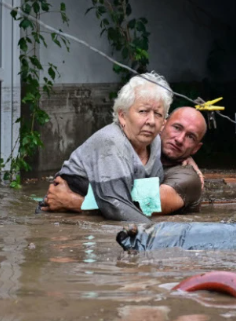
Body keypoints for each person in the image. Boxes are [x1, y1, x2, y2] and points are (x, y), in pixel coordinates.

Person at [44, 72, 173, 223]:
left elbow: (143, 203)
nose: (151, 121)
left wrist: (77, 203)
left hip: (88, 216)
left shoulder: (156, 143)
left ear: (164, 122)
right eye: (143, 111)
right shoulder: (111, 142)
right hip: (63, 223)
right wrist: (159, 235)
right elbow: (115, 206)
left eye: (158, 114)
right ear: (122, 116)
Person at [42, 106, 208, 216]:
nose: (179, 139)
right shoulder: (134, 149)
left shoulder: (188, 178)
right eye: (177, 128)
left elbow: (142, 208)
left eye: (190, 137)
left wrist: (74, 203)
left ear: (196, 148)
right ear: (162, 125)